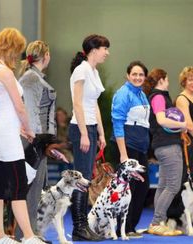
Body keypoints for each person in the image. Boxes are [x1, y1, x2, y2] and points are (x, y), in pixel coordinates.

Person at [0, 28, 45, 244]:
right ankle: (29, 236)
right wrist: (27, 128)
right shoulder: (6, 73)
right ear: (11, 47)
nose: (19, 54)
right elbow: (20, 108)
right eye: (18, 50)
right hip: (8, 133)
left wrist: (15, 125)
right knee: (19, 184)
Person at [68, 34, 110, 241]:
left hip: (91, 128)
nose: (107, 53)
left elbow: (94, 104)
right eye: (105, 48)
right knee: (82, 179)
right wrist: (84, 133)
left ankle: (82, 225)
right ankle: (78, 227)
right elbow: (77, 104)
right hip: (80, 128)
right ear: (94, 49)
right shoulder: (81, 70)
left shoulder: (94, 71)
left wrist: (100, 132)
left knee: (87, 178)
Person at [17, 40, 56, 239]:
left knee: (34, 188)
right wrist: (37, 139)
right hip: (32, 140)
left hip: (37, 141)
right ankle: (26, 234)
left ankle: (28, 232)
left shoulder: (33, 77)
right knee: (30, 189)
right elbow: (29, 112)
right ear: (46, 56)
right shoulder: (32, 79)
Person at [144, 68, 186, 236]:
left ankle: (158, 222)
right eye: (167, 79)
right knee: (173, 186)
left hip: (162, 146)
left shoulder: (156, 97)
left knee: (162, 186)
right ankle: (156, 222)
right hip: (168, 146)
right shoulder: (159, 97)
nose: (169, 82)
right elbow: (161, 120)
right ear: (161, 80)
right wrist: (182, 125)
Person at [110, 61, 150, 238]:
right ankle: (122, 228)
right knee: (128, 189)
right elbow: (117, 123)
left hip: (140, 147)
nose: (138, 77)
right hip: (127, 146)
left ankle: (131, 226)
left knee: (142, 186)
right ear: (128, 75)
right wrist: (123, 154)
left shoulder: (142, 94)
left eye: (141, 75)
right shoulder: (123, 94)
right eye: (134, 74)